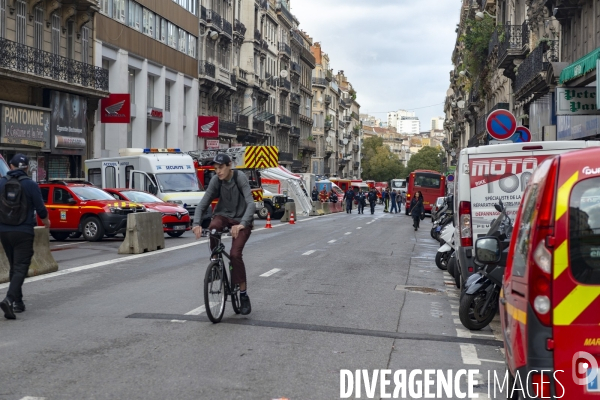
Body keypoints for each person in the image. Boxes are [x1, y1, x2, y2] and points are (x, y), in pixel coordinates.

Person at [192, 153, 256, 315]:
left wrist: (242, 224)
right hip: (223, 216)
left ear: (229, 166)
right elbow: (203, 204)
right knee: (213, 228)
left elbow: (251, 203)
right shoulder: (216, 181)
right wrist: (196, 224)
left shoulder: (239, 178)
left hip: (242, 220)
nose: (218, 172)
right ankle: (216, 263)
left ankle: (243, 295)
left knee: (235, 254)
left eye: (221, 168)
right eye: (215, 169)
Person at [0, 154, 50, 320]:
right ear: (27, 168)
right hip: (23, 231)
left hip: (4, 231)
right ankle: (9, 299)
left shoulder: (1, 183)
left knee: (14, 265)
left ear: (11, 167)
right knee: (21, 266)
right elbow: (41, 209)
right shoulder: (30, 184)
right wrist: (46, 222)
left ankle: (18, 302)